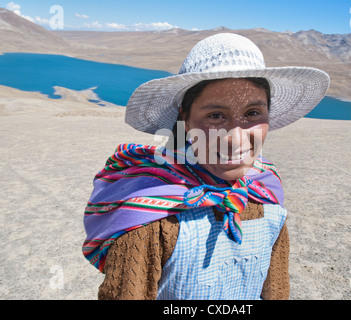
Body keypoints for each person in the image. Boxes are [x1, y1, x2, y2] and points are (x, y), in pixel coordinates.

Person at [82, 33, 330, 300]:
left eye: (253, 113)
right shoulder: (149, 216)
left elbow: (275, 291)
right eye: (215, 116)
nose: (236, 140)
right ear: (185, 119)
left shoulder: (267, 193)